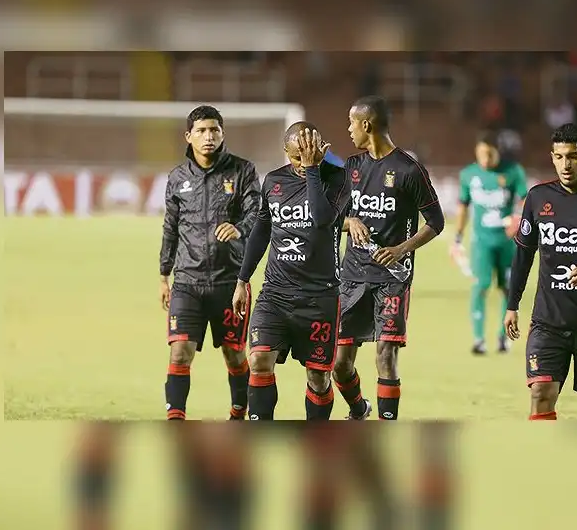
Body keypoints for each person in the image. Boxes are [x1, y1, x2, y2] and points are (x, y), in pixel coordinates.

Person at [333, 96, 445, 421]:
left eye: (351, 123)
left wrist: (401, 249)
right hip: (352, 276)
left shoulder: (409, 170)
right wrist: (348, 221)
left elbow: (436, 222)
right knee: (340, 365)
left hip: (392, 278)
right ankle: (359, 409)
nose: (348, 129)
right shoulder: (350, 169)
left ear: (366, 125)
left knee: (386, 353)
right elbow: (326, 216)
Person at [504, 123, 577, 421]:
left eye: (572, 156)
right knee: (540, 395)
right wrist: (512, 304)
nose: (565, 164)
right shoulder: (538, 197)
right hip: (548, 321)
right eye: (558, 157)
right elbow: (523, 254)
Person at [232, 123, 349, 420]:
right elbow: (261, 230)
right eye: (297, 157)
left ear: (321, 149)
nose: (303, 162)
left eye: (309, 154)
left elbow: (323, 219)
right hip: (275, 294)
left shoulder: (337, 178)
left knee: (319, 379)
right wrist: (242, 280)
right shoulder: (273, 181)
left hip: (319, 298)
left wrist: (312, 170)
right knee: (258, 359)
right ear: (286, 153)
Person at [159, 105, 262, 420]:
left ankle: (238, 412)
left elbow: (257, 213)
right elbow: (170, 227)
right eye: (201, 131)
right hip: (186, 283)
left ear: (222, 134)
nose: (208, 137)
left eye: (214, 130)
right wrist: (164, 276)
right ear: (188, 136)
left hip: (229, 283)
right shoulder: (177, 178)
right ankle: (176, 418)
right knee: (180, 352)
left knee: (234, 355)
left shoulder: (242, 171)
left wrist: (239, 228)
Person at [452, 131, 528, 355]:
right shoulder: (469, 174)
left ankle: (504, 337)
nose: (485, 159)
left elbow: (526, 201)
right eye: (481, 154)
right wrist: (457, 235)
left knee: (507, 288)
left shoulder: (513, 172)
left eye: (490, 154)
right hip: (481, 242)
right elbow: (463, 206)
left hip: (507, 242)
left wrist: (518, 219)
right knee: (481, 285)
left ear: (498, 152)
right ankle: (478, 339)